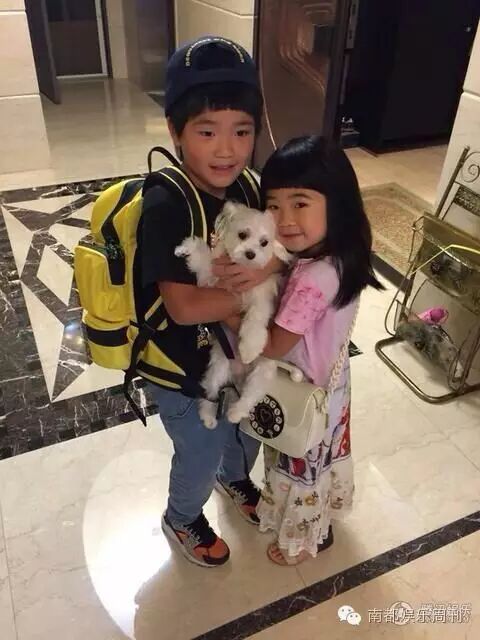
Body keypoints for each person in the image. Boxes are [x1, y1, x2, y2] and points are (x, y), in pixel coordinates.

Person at [138, 36, 276, 568]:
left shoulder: (249, 187)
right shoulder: (166, 203)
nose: (227, 149)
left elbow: (280, 251)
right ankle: (183, 516)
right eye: (206, 131)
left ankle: (235, 478)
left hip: (233, 353)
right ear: (175, 131)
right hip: (176, 364)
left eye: (242, 131)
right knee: (200, 447)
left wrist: (266, 268)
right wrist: (243, 308)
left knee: (245, 427)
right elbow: (183, 308)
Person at [227, 135, 383, 565]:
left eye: (300, 203)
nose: (285, 219)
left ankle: (301, 540)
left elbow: (274, 345)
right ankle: (321, 521)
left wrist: (227, 312)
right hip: (330, 383)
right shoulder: (340, 254)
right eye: (273, 206)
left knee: (297, 463)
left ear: (337, 203)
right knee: (319, 458)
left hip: (300, 390)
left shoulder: (313, 279)